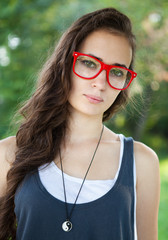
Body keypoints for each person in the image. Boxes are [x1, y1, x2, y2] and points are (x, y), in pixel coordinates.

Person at [0, 7, 160, 240]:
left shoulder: (141, 162)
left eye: (116, 71)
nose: (100, 82)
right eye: (89, 63)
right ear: (65, 65)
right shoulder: (8, 154)